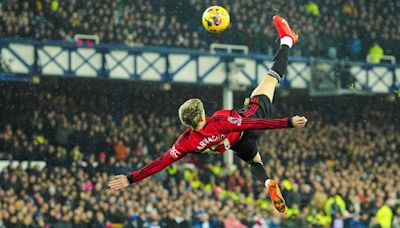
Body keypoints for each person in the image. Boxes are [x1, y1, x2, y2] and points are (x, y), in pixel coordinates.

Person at [108, 16, 306, 213]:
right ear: (202, 115)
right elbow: (251, 124)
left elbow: (160, 163)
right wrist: (287, 122)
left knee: (255, 162)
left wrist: (130, 178)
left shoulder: (185, 142)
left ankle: (267, 182)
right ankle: (287, 40)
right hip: (248, 123)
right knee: (271, 79)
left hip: (238, 145)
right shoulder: (218, 121)